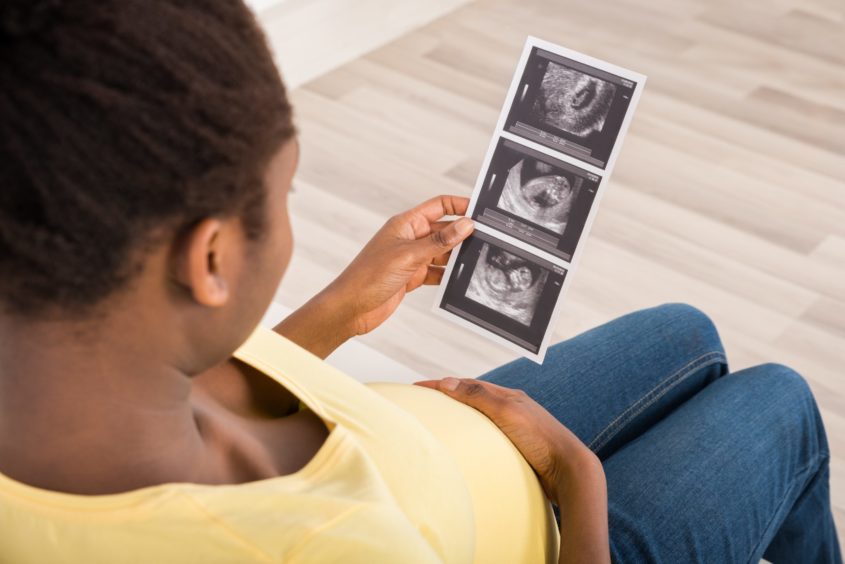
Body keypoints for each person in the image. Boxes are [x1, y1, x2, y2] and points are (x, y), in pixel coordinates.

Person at [0, 1, 840, 562]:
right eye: (283, 194)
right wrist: (571, 473)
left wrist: (335, 312)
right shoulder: (336, 544)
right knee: (778, 401)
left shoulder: (54, 368)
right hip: (545, 526)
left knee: (683, 333)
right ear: (211, 259)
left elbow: (195, 383)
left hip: (433, 443)